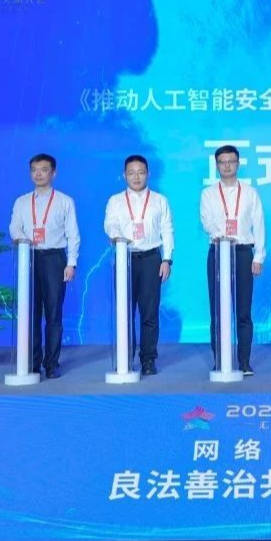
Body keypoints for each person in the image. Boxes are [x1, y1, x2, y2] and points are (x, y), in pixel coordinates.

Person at [9, 153, 80, 379]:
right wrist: (23, 240)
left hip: (54, 259)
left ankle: (51, 363)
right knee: (29, 312)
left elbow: (73, 234)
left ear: (53, 173)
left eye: (44, 170)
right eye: (34, 170)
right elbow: (14, 228)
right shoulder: (21, 202)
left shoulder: (65, 201)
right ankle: (32, 362)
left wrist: (71, 263)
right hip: (28, 257)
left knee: (53, 313)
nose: (38, 174)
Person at [103, 155, 174, 376]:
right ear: (124, 175)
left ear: (148, 174)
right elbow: (110, 224)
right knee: (124, 312)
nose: (136, 177)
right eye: (131, 173)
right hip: (125, 259)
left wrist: (167, 259)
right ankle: (125, 359)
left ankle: (148, 360)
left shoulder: (159, 200)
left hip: (151, 259)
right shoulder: (115, 201)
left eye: (141, 172)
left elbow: (167, 230)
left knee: (149, 312)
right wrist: (118, 238)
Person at [199, 145, 265, 376]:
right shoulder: (208, 194)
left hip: (243, 252)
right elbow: (206, 221)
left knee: (243, 311)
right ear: (217, 165)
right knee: (217, 311)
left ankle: (244, 362)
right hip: (218, 252)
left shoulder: (250, 193)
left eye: (231, 161)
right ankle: (220, 360)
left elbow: (259, 224)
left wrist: (259, 256)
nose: (226, 166)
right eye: (222, 162)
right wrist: (223, 236)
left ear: (238, 163)